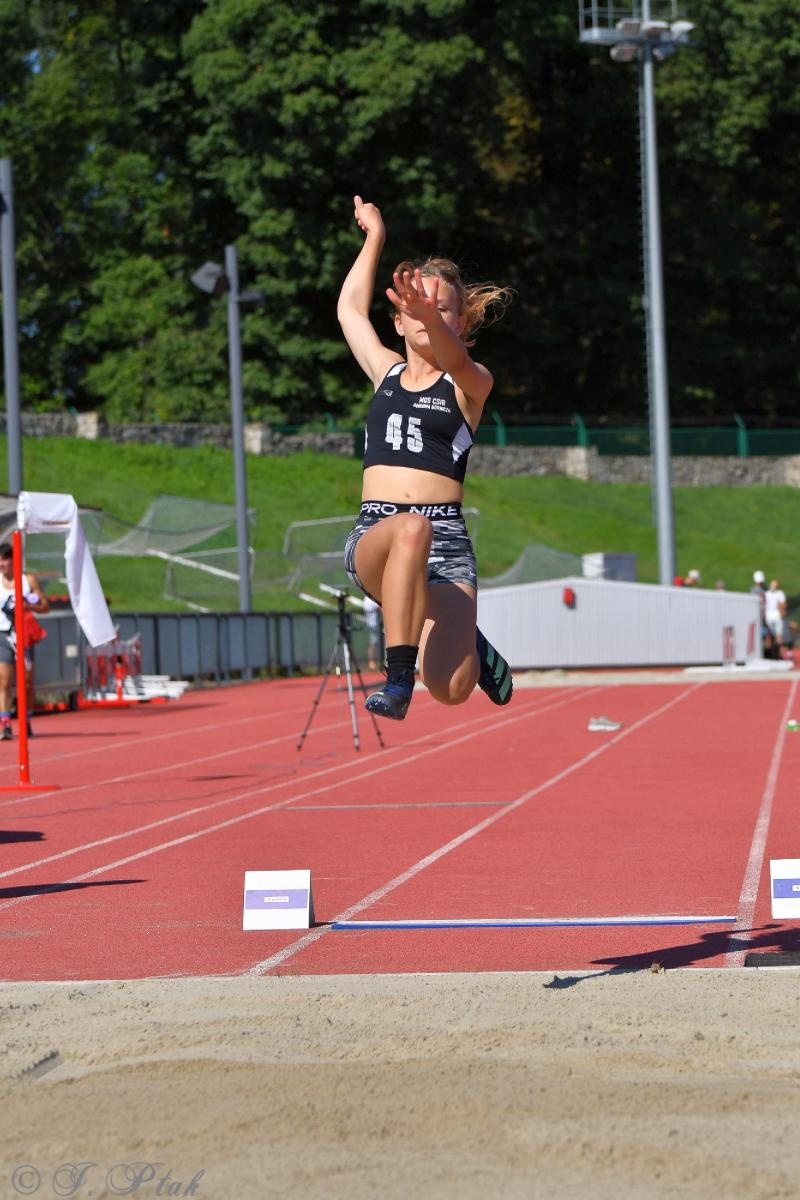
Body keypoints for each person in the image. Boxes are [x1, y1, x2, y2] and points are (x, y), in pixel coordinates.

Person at [338, 195, 513, 720]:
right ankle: (395, 684)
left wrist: (431, 318)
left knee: (454, 687)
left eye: (441, 311)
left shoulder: (471, 385)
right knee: (412, 527)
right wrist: (374, 238)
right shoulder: (385, 374)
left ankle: (469, 646)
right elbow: (349, 309)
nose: (425, 316)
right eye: (414, 308)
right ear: (397, 321)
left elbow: (456, 359)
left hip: (449, 542)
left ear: (460, 325)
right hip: (379, 534)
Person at [0, 541, 50, 740]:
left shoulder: (27, 581)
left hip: (24, 636)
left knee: (26, 682)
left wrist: (29, 607)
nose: (1, 564)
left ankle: (26, 720)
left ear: (14, 560)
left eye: (4, 560)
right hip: (3, 634)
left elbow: (45, 606)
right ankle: (5, 724)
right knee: (3, 681)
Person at [764, 578, 787, 658]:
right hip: (775, 616)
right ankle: (776, 654)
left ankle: (770, 654)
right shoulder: (779, 593)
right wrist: (782, 614)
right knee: (777, 636)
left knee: (770, 636)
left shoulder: (767, 594)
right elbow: (783, 605)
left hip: (770, 616)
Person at [361, 595, 382, 671]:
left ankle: (373, 661)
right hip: (374, 624)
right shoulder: (370, 599)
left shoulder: (367, 599)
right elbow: (381, 608)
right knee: (373, 643)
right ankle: (372, 661)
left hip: (374, 623)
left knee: (374, 643)